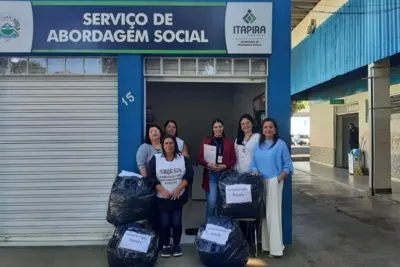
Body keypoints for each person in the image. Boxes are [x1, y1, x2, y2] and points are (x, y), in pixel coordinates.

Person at [250, 118, 293, 258]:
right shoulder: (259, 145)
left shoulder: (280, 145)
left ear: (275, 129)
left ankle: (276, 249)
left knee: (273, 215)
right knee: (264, 215)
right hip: (261, 183)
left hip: (274, 182)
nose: (268, 129)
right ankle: (267, 246)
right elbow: (253, 163)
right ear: (262, 129)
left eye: (271, 127)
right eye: (265, 127)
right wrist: (254, 170)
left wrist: (279, 179)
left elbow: (288, 166)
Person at [147, 135, 194, 258]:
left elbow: (189, 176)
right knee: (165, 223)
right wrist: (161, 189)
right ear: (163, 145)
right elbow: (151, 177)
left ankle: (176, 244)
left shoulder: (183, 159)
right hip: (162, 198)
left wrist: (179, 188)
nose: (169, 145)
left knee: (176, 223)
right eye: (166, 143)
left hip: (177, 197)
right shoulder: (155, 159)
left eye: (171, 143)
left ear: (175, 145)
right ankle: (166, 245)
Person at [198, 118, 236, 219]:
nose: (218, 129)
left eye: (220, 127)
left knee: (224, 203)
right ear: (212, 129)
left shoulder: (229, 142)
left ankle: (221, 227)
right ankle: (209, 228)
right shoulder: (206, 141)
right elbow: (200, 158)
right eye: (215, 127)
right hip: (212, 175)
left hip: (225, 175)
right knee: (212, 202)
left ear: (223, 128)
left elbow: (233, 160)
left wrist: (225, 166)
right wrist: (208, 164)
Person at [233, 114, 261, 243]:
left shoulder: (258, 137)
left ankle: (252, 238)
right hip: (239, 176)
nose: (245, 126)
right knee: (241, 207)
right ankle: (242, 237)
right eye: (242, 124)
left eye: (247, 123)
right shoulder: (237, 139)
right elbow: (235, 158)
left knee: (252, 207)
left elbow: (261, 155)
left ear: (252, 123)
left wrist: (258, 169)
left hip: (253, 176)